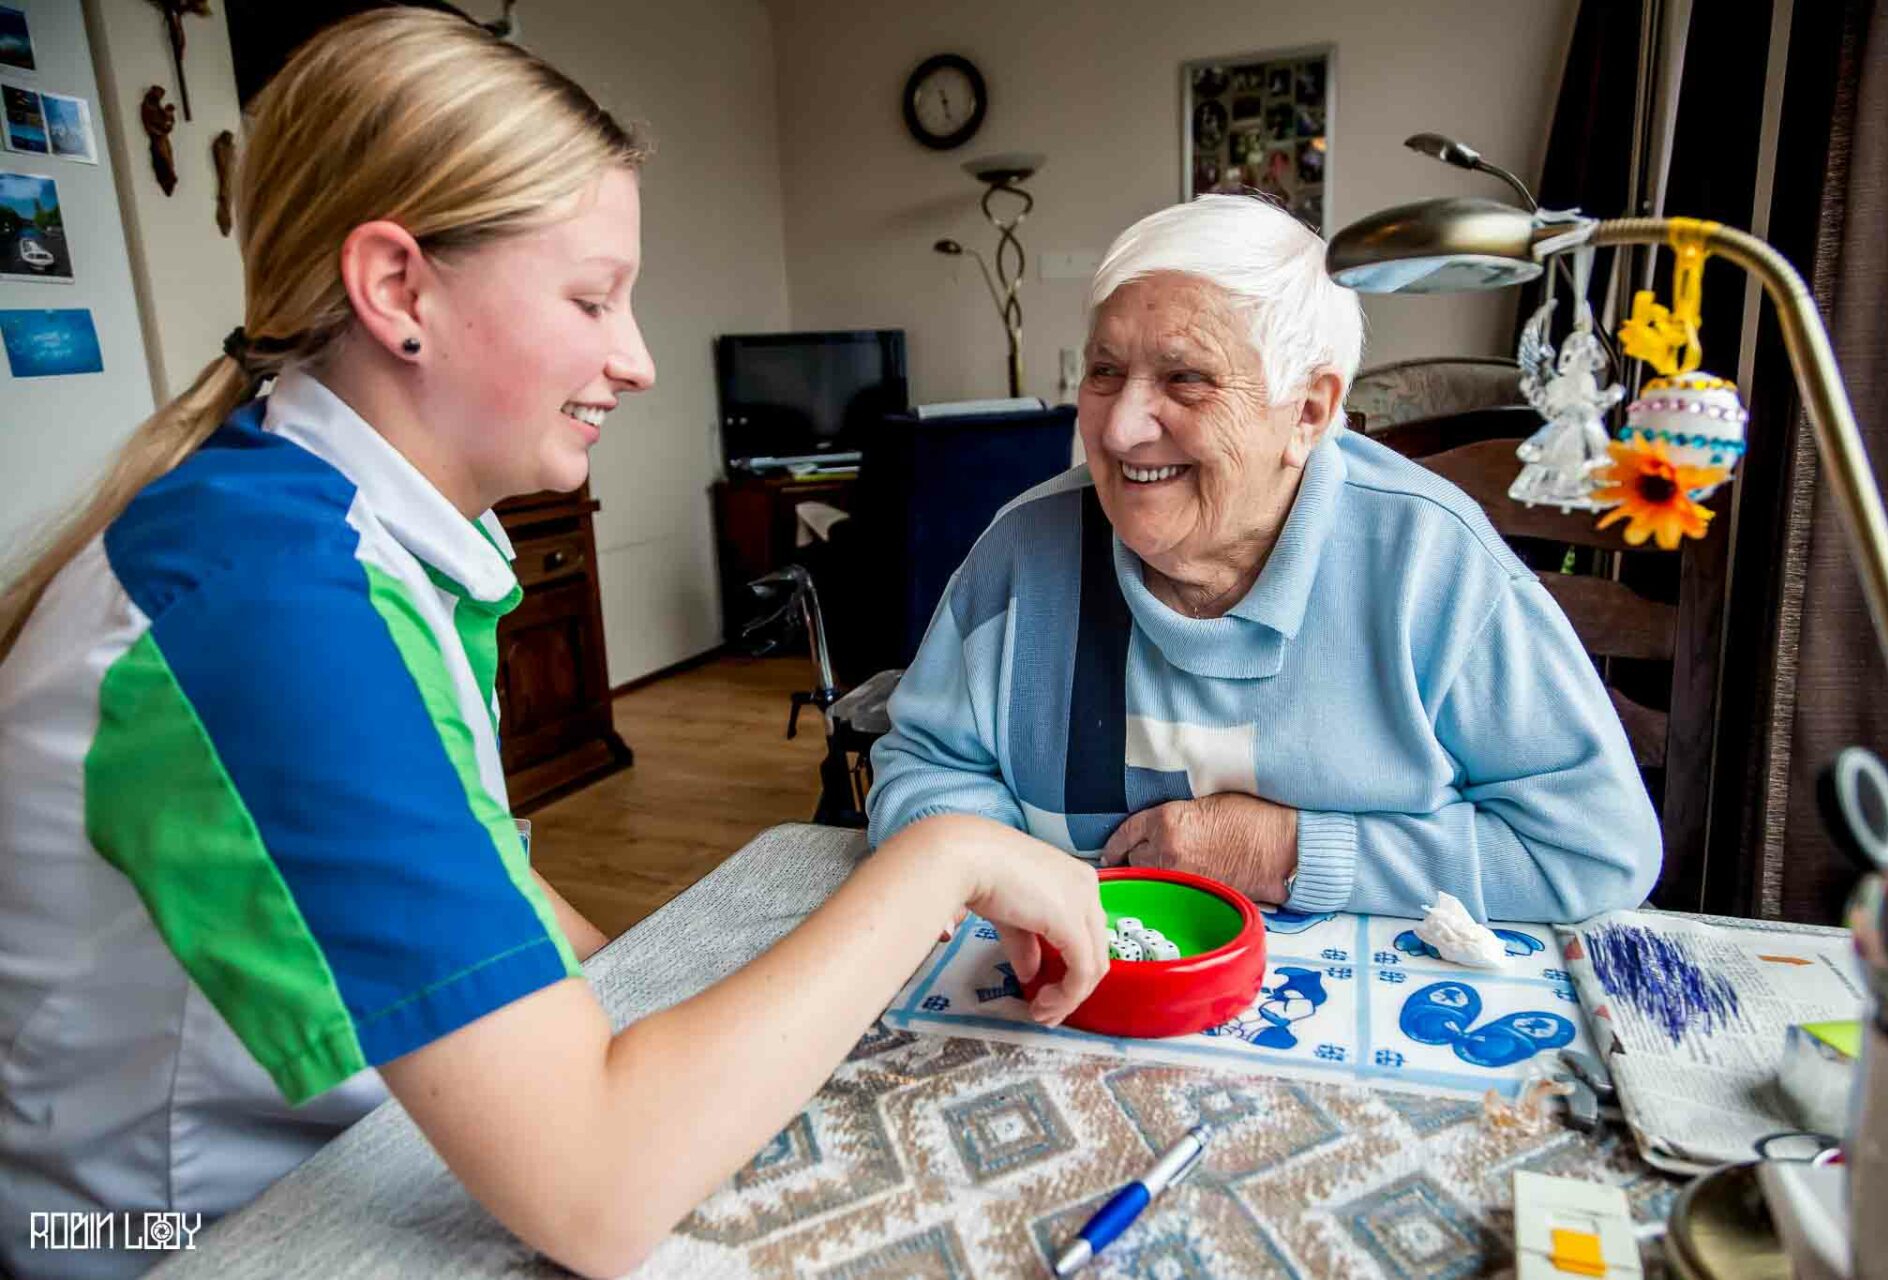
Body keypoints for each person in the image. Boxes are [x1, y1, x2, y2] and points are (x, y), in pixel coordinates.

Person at [0, 12, 1104, 1278]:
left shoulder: (332, 532)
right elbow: (593, 1187)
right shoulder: (273, 604)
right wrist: (946, 857)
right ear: (400, 289)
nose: (635, 359)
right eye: (593, 297)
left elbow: (492, 881)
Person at [867, 195, 1663, 925]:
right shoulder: (1024, 550)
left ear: (1308, 412)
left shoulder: (1430, 567)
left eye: (1186, 378)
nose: (1116, 431)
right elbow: (921, 767)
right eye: (1105, 373)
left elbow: (1598, 850)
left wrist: (1287, 853)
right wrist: (1017, 886)